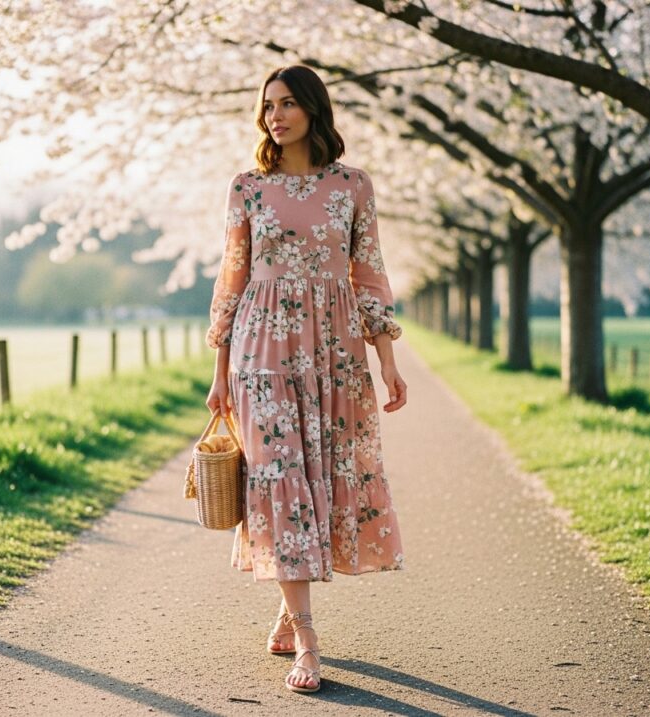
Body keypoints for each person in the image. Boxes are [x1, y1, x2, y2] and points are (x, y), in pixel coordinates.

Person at [204, 64, 407, 695]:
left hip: (334, 350)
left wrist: (387, 360)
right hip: (260, 347)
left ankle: (290, 614)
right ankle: (311, 642)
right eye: (268, 105)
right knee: (280, 476)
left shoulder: (352, 186)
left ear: (314, 110)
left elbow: (368, 275)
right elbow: (232, 279)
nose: (276, 115)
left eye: (289, 103)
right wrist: (218, 372)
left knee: (320, 476)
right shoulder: (248, 188)